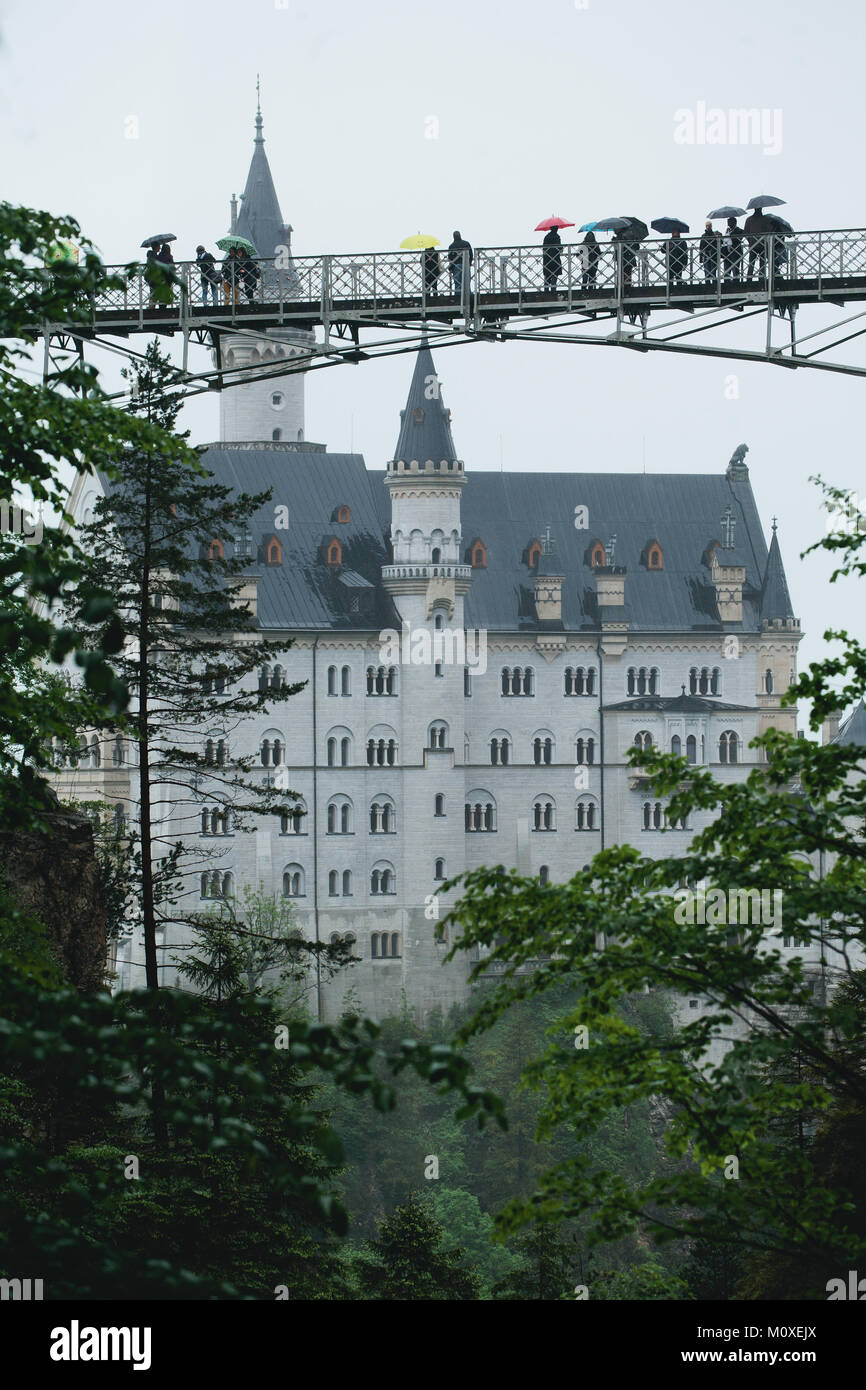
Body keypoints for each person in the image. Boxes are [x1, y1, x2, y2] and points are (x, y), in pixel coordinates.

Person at [744, 209, 769, 281]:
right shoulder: (765, 219)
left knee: (751, 263)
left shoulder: (749, 219)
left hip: (753, 244)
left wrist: (750, 240)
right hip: (763, 244)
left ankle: (749, 278)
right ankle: (761, 278)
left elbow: (745, 233)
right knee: (762, 262)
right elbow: (768, 231)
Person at [448, 230, 473, 295]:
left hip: (456, 265)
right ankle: (468, 295)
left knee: (457, 283)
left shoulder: (451, 246)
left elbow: (450, 258)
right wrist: (469, 263)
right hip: (465, 265)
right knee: (467, 282)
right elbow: (471, 254)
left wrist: (450, 268)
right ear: (460, 235)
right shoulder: (466, 243)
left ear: (453, 237)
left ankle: (458, 297)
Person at [721, 217, 744, 283]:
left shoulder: (739, 230)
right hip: (727, 252)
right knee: (726, 269)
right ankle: (727, 282)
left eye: (729, 221)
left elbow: (739, 239)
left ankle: (736, 283)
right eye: (728, 222)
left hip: (736, 252)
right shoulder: (727, 230)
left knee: (735, 269)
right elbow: (725, 240)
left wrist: (730, 235)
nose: (728, 223)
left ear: (734, 222)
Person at [542, 225, 562, 293]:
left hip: (547, 259)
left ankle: (546, 290)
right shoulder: (557, 237)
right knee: (554, 275)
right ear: (556, 229)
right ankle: (553, 290)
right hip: (555, 259)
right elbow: (559, 248)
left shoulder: (546, 237)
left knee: (547, 276)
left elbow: (544, 248)